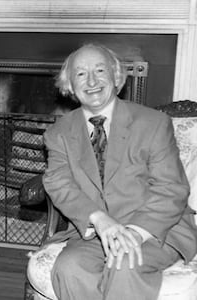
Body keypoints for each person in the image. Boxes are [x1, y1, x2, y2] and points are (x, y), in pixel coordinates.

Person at [42, 43, 197, 300]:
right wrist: (100, 220)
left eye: (100, 70)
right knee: (69, 268)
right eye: (80, 74)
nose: (91, 80)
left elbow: (172, 189)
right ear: (69, 85)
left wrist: (134, 232)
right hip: (95, 233)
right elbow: (60, 184)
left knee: (124, 262)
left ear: (116, 77)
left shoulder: (153, 123)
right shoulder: (58, 133)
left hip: (157, 228)